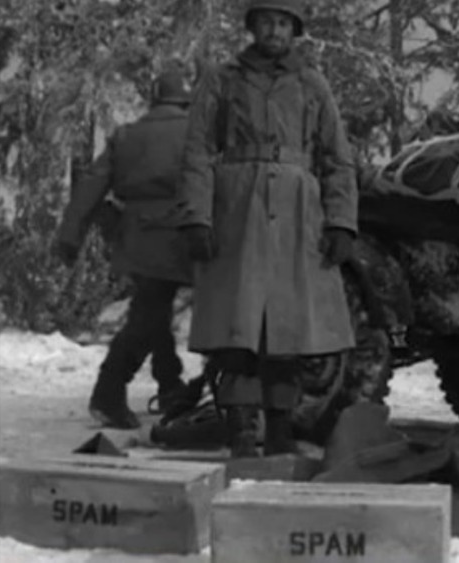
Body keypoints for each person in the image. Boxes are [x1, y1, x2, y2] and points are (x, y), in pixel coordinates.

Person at [176, 0, 358, 457]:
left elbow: (337, 158)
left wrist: (341, 221)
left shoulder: (312, 83)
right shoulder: (222, 79)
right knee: (240, 329)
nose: (273, 30)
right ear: (252, 26)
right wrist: (197, 215)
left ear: (293, 30)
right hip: (237, 208)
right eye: (266, 22)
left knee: (288, 331)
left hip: (298, 213)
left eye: (282, 22)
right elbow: (197, 150)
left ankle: (280, 430)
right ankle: (240, 430)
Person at [55, 71, 195, 429]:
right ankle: (108, 392)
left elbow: (91, 185)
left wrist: (70, 235)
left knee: (152, 306)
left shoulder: (126, 135)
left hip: (134, 236)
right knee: (148, 316)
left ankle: (169, 385)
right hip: (178, 233)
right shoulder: (197, 134)